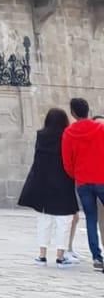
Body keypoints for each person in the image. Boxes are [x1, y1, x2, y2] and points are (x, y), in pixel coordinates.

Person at [18, 107, 79, 266]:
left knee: (44, 219)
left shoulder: (41, 135)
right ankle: (60, 256)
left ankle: (42, 255)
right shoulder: (66, 136)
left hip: (43, 181)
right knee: (63, 220)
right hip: (62, 180)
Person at [61, 96, 104, 272]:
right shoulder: (100, 129)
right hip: (102, 178)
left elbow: (67, 162)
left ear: (72, 112)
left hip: (83, 182)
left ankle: (97, 257)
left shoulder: (69, 133)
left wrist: (76, 175)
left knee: (91, 219)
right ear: (88, 111)